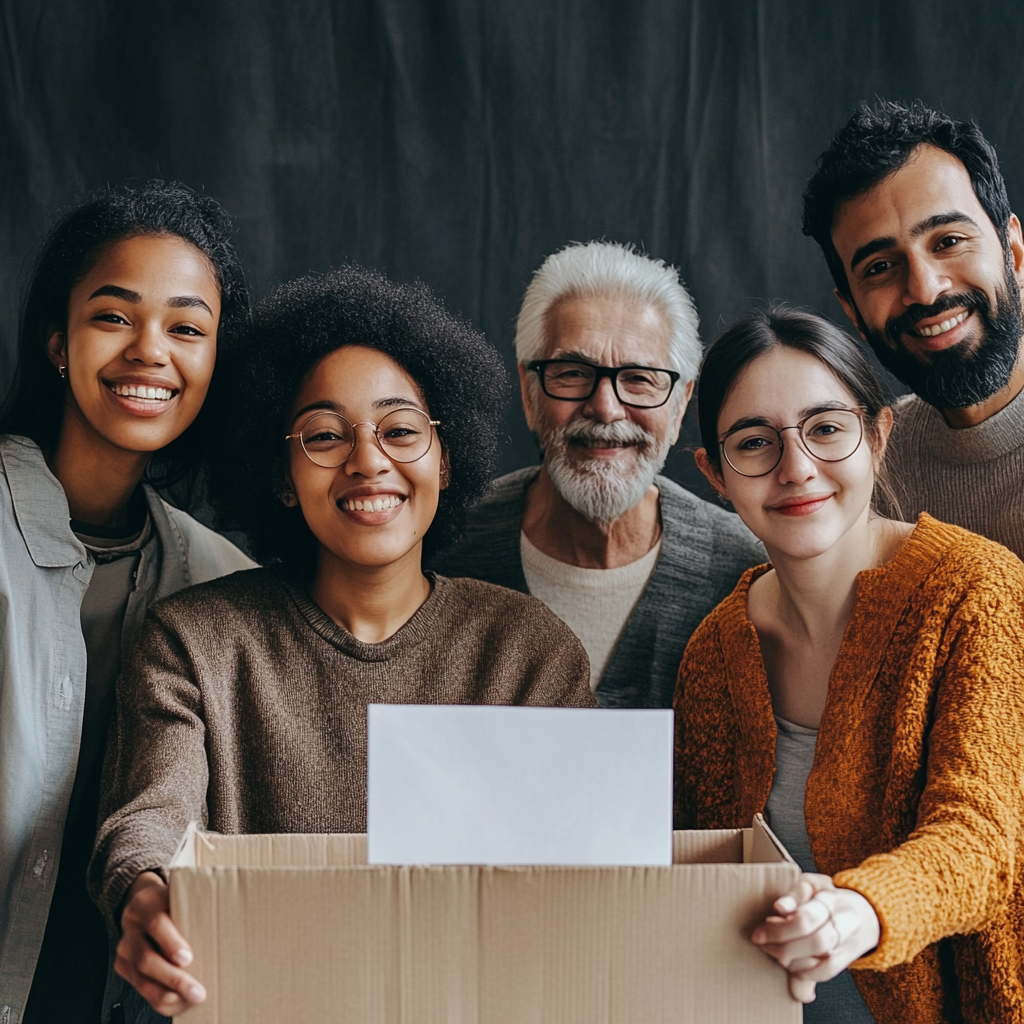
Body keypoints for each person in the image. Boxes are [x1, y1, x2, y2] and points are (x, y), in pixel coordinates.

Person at [88, 265, 596, 1018]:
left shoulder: (529, 652)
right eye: (325, 435)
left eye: (400, 430)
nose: (367, 461)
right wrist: (147, 889)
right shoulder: (194, 641)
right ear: (283, 475)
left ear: (445, 460)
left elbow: (580, 876)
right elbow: (152, 815)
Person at [673, 305, 1024, 1023]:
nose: (796, 468)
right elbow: (703, 876)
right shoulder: (713, 650)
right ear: (715, 473)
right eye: (753, 443)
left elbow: (982, 838)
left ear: (878, 436)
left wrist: (860, 910)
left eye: (827, 429)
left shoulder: (976, 591)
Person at [0, 182, 255, 1024]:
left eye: (187, 328)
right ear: (56, 340)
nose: (151, 351)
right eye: (114, 316)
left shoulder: (217, 579)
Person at [435, 241, 764, 708]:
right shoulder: (440, 554)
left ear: (679, 406)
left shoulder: (747, 575)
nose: (606, 409)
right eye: (571, 372)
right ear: (530, 395)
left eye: (639, 378)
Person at [803, 99, 1024, 557]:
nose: (924, 290)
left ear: (1014, 253)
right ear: (852, 311)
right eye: (880, 267)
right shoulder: (867, 471)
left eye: (948, 241)